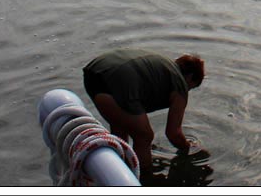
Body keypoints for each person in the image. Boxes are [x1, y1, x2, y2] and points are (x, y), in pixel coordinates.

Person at [82, 48, 206, 183]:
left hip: (93, 75)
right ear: (189, 77)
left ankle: (116, 170)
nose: (188, 90)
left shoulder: (162, 64)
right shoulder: (180, 84)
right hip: (116, 83)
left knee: (121, 127)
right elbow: (173, 133)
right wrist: (187, 147)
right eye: (192, 87)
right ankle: (144, 179)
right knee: (144, 135)